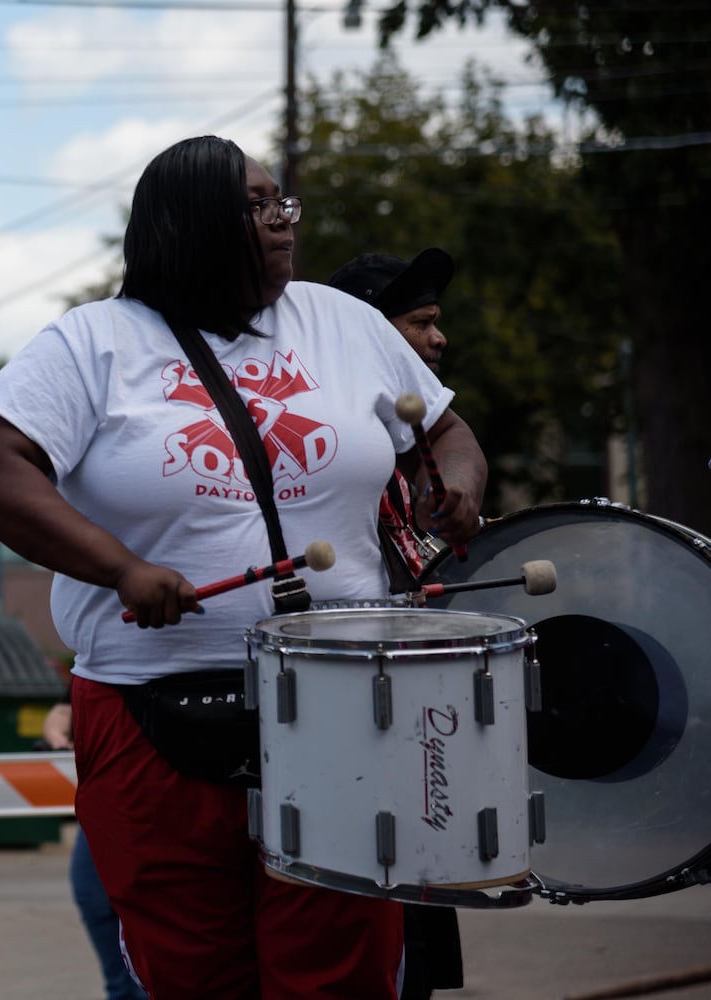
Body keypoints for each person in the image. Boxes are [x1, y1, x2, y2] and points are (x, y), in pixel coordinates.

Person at [0, 135, 485, 998]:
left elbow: (444, 432)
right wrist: (122, 568)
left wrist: (455, 486)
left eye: (285, 203)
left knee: (339, 967)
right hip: (149, 709)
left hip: (346, 696)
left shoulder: (340, 323)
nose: (284, 222)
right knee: (191, 970)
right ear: (192, 222)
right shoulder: (91, 344)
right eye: (260, 204)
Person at [330, 247, 467, 998]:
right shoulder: (342, 453)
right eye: (421, 323)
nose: (438, 339)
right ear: (371, 338)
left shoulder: (405, 458)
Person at [41, 698, 148, 1000]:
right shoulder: (99, 654)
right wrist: (57, 735)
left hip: (161, 788)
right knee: (93, 896)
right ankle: (125, 990)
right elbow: (64, 708)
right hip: (107, 793)